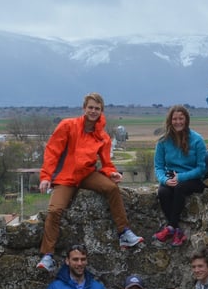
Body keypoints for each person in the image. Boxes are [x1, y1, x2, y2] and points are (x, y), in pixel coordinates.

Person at [36, 92, 143, 272]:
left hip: (86, 174)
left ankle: (124, 232)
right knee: (55, 210)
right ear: (84, 108)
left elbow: (107, 163)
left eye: (97, 108)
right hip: (66, 177)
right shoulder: (68, 126)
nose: (93, 111)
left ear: (102, 111)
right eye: (91, 107)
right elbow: (52, 151)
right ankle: (47, 255)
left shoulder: (102, 136)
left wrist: (112, 173)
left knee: (111, 188)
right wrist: (46, 176)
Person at [152, 104, 206, 247]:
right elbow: (158, 166)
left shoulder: (197, 140)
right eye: (174, 119)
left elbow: (202, 168)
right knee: (163, 191)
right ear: (170, 121)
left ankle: (170, 227)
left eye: (181, 118)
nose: (178, 122)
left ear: (186, 120)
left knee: (180, 188)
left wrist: (181, 177)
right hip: (171, 177)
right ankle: (176, 231)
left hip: (192, 178)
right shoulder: (163, 141)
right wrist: (164, 180)